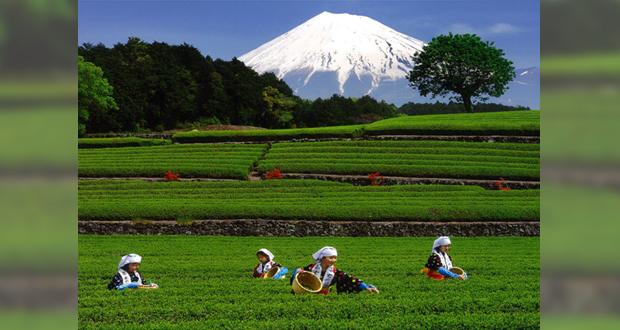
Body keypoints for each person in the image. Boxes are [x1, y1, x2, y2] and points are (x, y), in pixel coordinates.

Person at [291, 246, 379, 294]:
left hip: (323, 296)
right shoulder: (311, 268)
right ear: (322, 258)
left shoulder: (335, 272)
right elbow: (299, 272)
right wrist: (297, 272)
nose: (334, 260)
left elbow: (350, 279)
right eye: (331, 258)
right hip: (307, 293)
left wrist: (365, 287)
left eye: (335, 258)